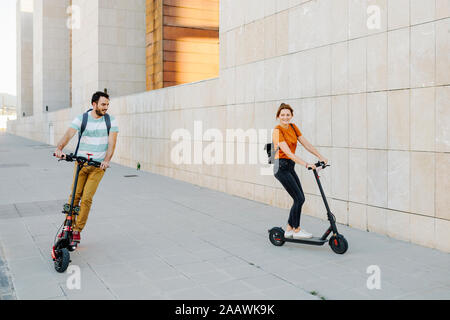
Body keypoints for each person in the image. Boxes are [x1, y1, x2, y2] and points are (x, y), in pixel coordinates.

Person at [54, 91, 119, 244]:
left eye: (107, 105)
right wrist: (59, 148)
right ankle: (67, 227)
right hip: (81, 164)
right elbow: (68, 134)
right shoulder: (82, 119)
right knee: (74, 196)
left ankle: (77, 230)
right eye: (103, 104)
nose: (106, 107)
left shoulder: (111, 121)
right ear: (94, 104)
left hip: (98, 167)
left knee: (87, 198)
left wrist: (107, 160)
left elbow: (112, 143)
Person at [272, 103, 328, 239]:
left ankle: (289, 229)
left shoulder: (293, 127)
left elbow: (306, 144)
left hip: (290, 166)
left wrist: (320, 156)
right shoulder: (277, 131)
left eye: (288, 114)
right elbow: (289, 153)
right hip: (280, 166)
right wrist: (306, 164)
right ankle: (296, 230)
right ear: (278, 116)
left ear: (291, 115)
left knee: (299, 198)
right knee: (299, 198)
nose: (285, 117)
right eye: (282, 115)